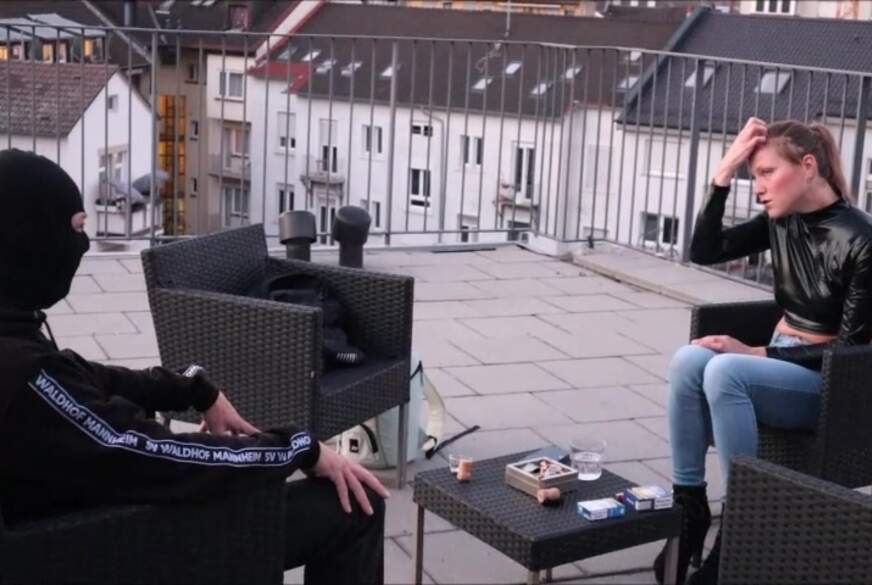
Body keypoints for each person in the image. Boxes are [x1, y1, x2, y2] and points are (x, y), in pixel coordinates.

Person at [0, 149, 390, 584]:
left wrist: (191, 388)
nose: (84, 244)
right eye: (76, 229)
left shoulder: (15, 336)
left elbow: (79, 377)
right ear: (30, 239)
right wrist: (298, 447)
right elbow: (160, 456)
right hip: (103, 542)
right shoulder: (26, 379)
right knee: (356, 506)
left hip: (74, 519)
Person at [652, 118, 872, 585]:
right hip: (778, 358)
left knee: (725, 372)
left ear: (808, 166)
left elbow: (851, 350)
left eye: (767, 173)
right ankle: (689, 510)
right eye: (753, 176)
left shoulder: (862, 239)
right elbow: (705, 249)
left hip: (831, 384)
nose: (759, 189)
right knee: (688, 361)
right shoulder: (781, 220)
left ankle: (741, 526)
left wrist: (756, 353)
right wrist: (723, 172)